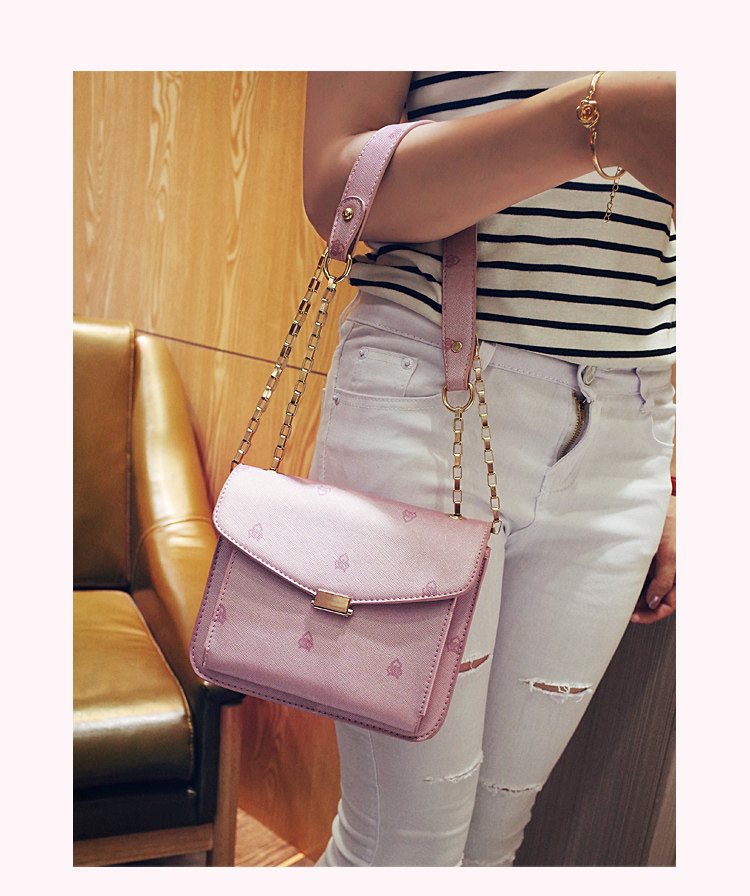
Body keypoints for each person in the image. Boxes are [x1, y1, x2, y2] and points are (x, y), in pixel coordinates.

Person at [302, 71, 676, 867]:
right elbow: (338, 189)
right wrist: (599, 121)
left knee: (492, 844)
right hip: (430, 387)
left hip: (633, 421)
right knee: (398, 851)